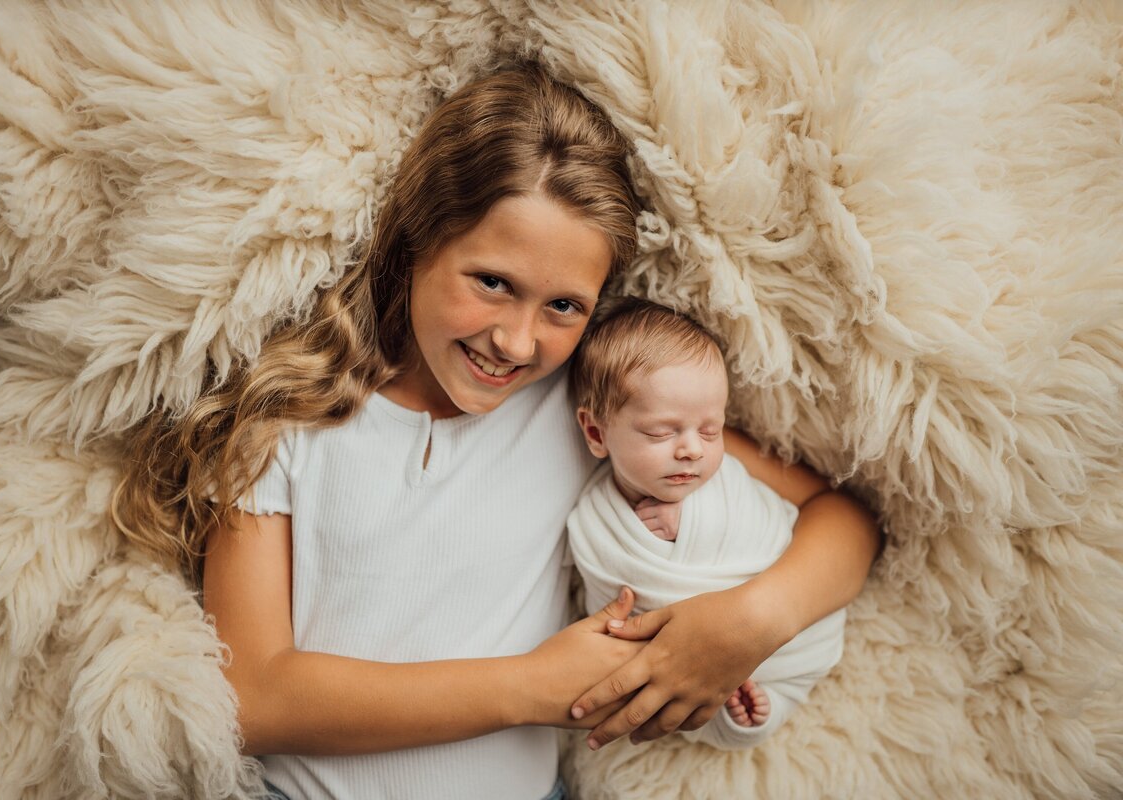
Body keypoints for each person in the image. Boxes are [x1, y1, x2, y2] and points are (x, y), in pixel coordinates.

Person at [110, 62, 882, 800]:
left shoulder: (587, 415)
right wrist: (528, 686)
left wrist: (747, 623)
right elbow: (254, 699)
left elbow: (845, 523)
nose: (516, 342)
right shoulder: (285, 418)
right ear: (416, 242)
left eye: (563, 308)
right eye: (492, 284)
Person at [566, 297, 848, 749]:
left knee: (781, 678)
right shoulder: (593, 525)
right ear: (597, 433)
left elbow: (775, 524)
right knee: (692, 703)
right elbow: (613, 620)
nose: (693, 450)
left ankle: (769, 699)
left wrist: (695, 520)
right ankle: (748, 716)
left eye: (711, 430)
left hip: (795, 628)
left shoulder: (727, 481)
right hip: (688, 666)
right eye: (661, 432)